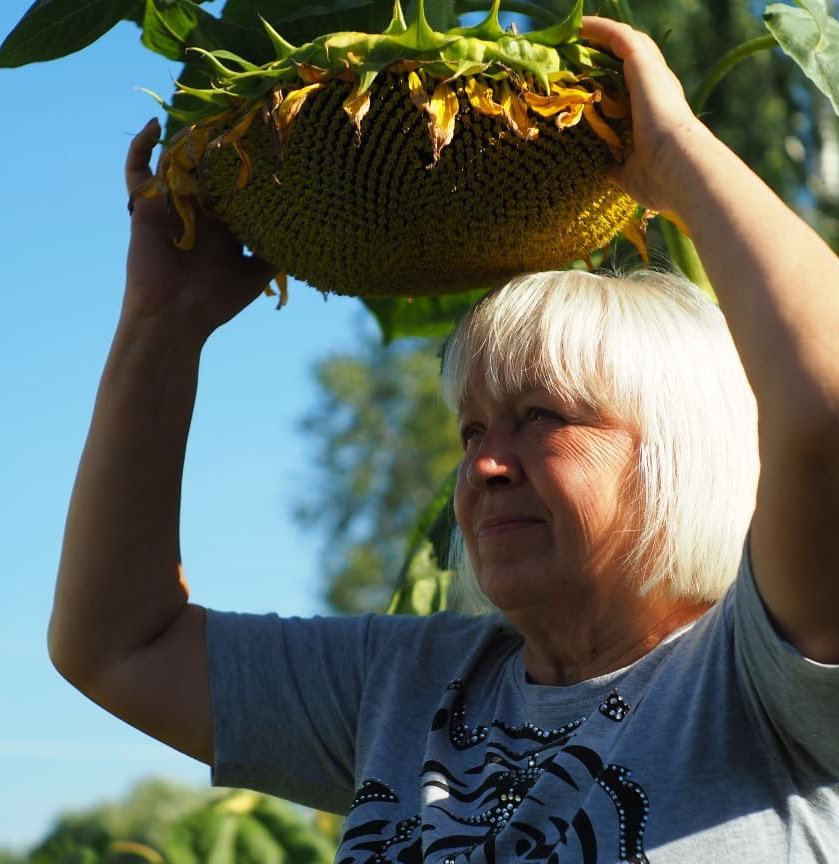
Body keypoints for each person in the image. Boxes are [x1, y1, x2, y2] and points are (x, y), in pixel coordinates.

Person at [49, 15, 839, 862]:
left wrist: (674, 155)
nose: (485, 467)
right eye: (471, 431)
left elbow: (826, 411)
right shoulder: (411, 686)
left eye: (543, 417)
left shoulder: (763, 674)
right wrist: (162, 323)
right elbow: (116, 643)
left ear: (687, 448)